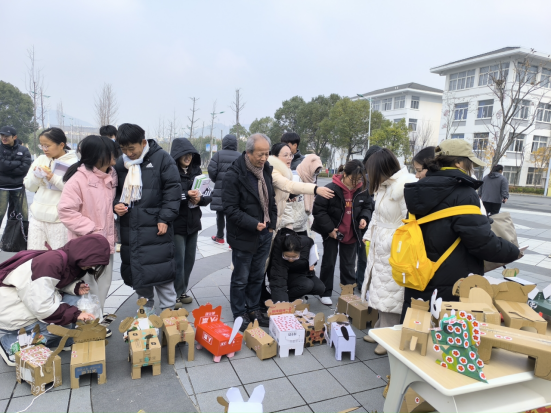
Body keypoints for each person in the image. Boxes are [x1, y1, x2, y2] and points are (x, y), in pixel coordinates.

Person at [401, 139, 519, 321]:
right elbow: (482, 242)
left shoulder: (419, 190)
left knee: (416, 332)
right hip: (452, 282)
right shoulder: (463, 193)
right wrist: (513, 251)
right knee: (447, 340)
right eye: (468, 162)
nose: (470, 166)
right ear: (458, 162)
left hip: (420, 274)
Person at [0, 234, 111, 366]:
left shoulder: (65, 259)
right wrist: (76, 314)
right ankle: (10, 342)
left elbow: (51, 284)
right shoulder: (51, 263)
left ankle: (61, 340)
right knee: (59, 324)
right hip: (10, 309)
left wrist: (74, 288)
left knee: (76, 303)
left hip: (26, 301)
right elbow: (43, 308)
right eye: (91, 264)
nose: (90, 268)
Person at [114, 124, 181, 310]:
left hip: (155, 226)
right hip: (131, 228)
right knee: (140, 276)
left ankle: (170, 317)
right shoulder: (121, 164)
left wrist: (165, 218)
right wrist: (116, 205)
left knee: (162, 273)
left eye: (132, 148)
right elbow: (115, 192)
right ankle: (145, 318)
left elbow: (173, 191)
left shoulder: (162, 159)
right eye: (124, 149)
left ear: (143, 142)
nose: (128, 153)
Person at [58, 136, 120, 322]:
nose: (116, 155)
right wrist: (92, 231)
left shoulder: (111, 175)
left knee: (104, 283)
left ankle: (97, 318)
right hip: (87, 244)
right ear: (98, 155)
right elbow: (66, 211)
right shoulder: (78, 180)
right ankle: (90, 322)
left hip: (106, 242)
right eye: (112, 152)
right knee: (89, 286)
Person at [361, 149, 417, 355]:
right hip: (380, 243)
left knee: (391, 292)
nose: (368, 176)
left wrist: (396, 243)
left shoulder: (404, 187)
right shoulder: (384, 186)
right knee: (378, 287)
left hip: (394, 246)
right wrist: (368, 234)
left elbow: (410, 221)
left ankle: (387, 335)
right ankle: (379, 328)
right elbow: (376, 215)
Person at [223, 133, 278, 331]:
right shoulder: (234, 174)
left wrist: (272, 223)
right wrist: (253, 224)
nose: (264, 158)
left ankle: (253, 308)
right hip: (244, 234)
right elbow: (230, 208)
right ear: (248, 152)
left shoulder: (266, 171)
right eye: (260, 154)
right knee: (241, 277)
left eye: (267, 154)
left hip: (265, 233)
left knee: (257, 275)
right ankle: (239, 312)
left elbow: (271, 199)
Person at [312, 159, 373, 306]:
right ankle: (325, 292)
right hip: (332, 231)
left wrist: (364, 217)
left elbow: (368, 206)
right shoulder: (330, 188)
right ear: (344, 174)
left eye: (359, 179)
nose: (355, 182)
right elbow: (319, 211)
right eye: (353, 179)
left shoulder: (363, 189)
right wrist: (329, 229)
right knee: (329, 262)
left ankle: (348, 291)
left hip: (351, 231)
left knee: (349, 264)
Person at [170, 138, 212, 306]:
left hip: (193, 223)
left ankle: (182, 290)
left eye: (190, 154)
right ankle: (174, 293)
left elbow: (208, 196)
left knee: (189, 259)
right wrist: (186, 195)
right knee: (178, 260)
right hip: (177, 223)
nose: (187, 157)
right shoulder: (171, 172)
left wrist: (199, 199)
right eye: (184, 154)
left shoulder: (197, 172)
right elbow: (169, 197)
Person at [23, 128, 78, 250]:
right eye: (41, 145)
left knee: (58, 258)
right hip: (37, 216)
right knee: (34, 255)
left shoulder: (74, 163)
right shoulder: (41, 159)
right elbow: (29, 186)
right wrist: (36, 176)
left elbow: (75, 191)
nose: (44, 149)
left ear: (61, 145)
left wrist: (53, 178)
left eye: (47, 146)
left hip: (59, 219)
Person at [268, 143, 333, 229]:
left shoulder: (287, 173)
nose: (289, 158)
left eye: (291, 155)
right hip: (270, 225)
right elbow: (289, 185)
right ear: (275, 157)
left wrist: (287, 197)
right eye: (285, 155)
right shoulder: (273, 172)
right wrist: (315, 189)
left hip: (278, 223)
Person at [267, 228, 325, 303]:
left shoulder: (307, 242)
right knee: (307, 285)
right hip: (287, 275)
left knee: (320, 288)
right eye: (286, 256)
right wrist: (282, 303)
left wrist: (312, 264)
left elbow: (313, 256)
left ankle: (294, 295)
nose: (290, 259)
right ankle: (288, 298)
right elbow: (278, 280)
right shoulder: (279, 250)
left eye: (294, 256)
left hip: (302, 273)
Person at [355, 145, 382, 290]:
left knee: (368, 254)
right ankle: (361, 282)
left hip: (375, 219)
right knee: (364, 253)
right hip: (365, 219)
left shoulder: (378, 175)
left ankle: (362, 280)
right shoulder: (364, 178)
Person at [280, 153, 324, 235]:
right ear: (308, 167)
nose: (315, 174)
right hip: (290, 227)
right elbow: (287, 204)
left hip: (302, 226)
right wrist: (289, 225)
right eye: (315, 171)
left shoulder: (310, 180)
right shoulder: (295, 179)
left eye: (318, 172)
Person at [208, 134, 240, 245]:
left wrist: (217, 180)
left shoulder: (217, 155)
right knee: (233, 216)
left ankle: (220, 237)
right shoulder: (240, 156)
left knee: (220, 215)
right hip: (235, 191)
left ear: (224, 143)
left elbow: (211, 171)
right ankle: (232, 241)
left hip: (221, 190)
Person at [0, 126, 31, 231]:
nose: (4, 138)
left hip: (18, 187)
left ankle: (22, 240)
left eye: (7, 136)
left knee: (24, 215)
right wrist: (17, 163)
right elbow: (1, 166)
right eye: (2, 135)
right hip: (2, 187)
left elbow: (25, 168)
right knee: (0, 214)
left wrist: (6, 169)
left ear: (14, 137)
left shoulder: (23, 150)